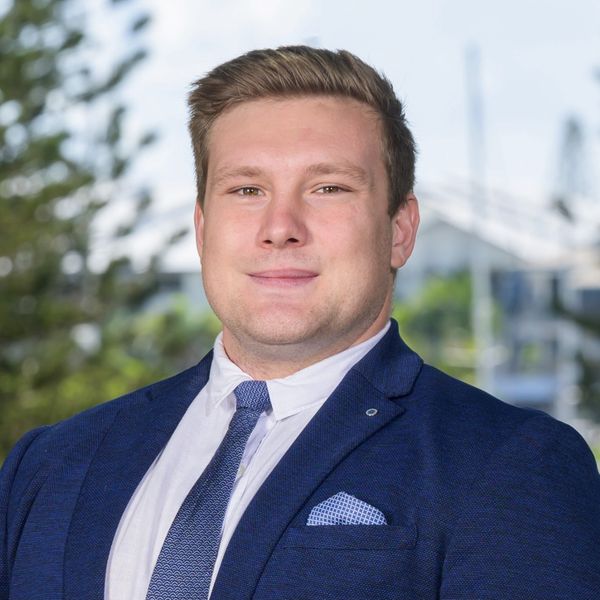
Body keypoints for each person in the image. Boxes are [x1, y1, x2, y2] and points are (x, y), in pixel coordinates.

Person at [1, 46, 599, 600]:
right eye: (247, 189)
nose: (280, 227)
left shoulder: (512, 464)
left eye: (328, 187)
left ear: (399, 230)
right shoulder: (50, 464)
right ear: (203, 228)